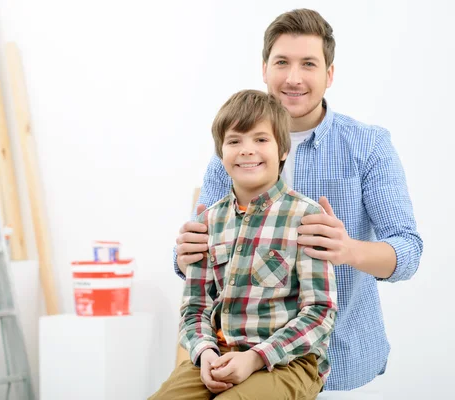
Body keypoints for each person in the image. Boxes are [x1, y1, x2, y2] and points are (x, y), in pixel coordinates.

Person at [173, 8, 423, 392]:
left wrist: (349, 250)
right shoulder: (232, 153)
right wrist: (183, 251)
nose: (293, 78)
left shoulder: (368, 146)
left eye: (308, 63)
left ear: (329, 74)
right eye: (282, 63)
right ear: (264, 69)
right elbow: (197, 261)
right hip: (238, 359)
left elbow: (408, 253)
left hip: (340, 361)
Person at [150, 89, 338, 399]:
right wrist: (204, 352)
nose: (246, 150)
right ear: (221, 153)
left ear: (282, 150)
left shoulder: (305, 216)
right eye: (235, 141)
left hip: (287, 361)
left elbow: (320, 311)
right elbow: (195, 308)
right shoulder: (208, 222)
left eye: (261, 140)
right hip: (219, 354)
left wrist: (254, 358)